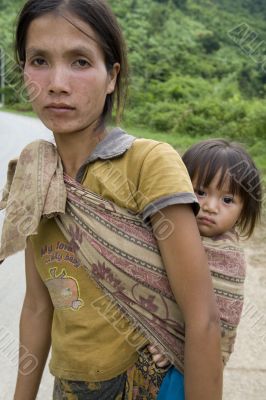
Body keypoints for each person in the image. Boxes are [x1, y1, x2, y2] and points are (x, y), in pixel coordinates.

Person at [0, 1, 223, 399]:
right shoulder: (37, 174)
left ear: (111, 76)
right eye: (39, 60)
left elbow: (202, 319)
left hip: (143, 384)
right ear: (24, 73)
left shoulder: (147, 164)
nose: (56, 83)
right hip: (69, 387)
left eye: (81, 62)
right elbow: (37, 307)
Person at [157, 138, 262, 400]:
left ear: (244, 209)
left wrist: (174, 346)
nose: (210, 207)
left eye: (227, 199)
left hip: (187, 367)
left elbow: (219, 324)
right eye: (200, 192)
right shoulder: (169, 233)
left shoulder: (227, 258)